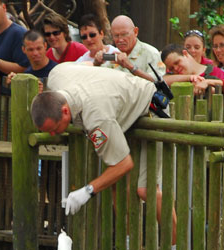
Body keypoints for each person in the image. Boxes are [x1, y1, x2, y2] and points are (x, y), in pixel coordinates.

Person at [30, 63, 156, 215]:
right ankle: (128, 239)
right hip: (119, 108)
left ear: (64, 111)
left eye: (54, 129)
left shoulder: (96, 118)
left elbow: (123, 164)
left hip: (151, 108)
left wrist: (87, 191)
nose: (52, 135)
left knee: (146, 190)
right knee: (117, 185)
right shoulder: (56, 74)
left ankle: (176, 240)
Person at [94, 15, 165, 82]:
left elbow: (158, 82)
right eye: (116, 35)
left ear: (135, 32)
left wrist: (131, 67)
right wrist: (97, 63)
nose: (120, 40)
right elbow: (100, 81)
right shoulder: (114, 56)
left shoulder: (151, 53)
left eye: (124, 34)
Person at [160, 43, 224, 95]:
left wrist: (207, 84)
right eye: (171, 68)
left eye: (177, 62)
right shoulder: (175, 79)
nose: (175, 68)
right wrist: (190, 78)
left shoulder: (215, 72)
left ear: (185, 54)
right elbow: (162, 80)